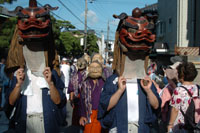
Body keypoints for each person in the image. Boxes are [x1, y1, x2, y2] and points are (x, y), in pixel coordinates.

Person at [5, 1, 66, 132]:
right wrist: (18, 85)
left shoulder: (52, 73)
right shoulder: (19, 73)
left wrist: (50, 84)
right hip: (23, 121)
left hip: (45, 121)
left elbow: (59, 101)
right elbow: (10, 102)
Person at [97, 7, 161, 133]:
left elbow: (156, 105)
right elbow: (106, 106)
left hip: (141, 128)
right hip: (119, 128)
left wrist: (148, 91)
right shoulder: (114, 80)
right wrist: (120, 90)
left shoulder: (145, 81)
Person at [168, 62, 198, 132]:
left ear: (182, 76)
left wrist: (170, 124)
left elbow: (175, 109)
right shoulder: (198, 88)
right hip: (194, 125)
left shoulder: (178, 90)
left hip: (181, 126)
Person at [79, 61, 105, 133]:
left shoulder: (104, 83)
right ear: (89, 69)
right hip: (88, 114)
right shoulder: (85, 83)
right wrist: (82, 115)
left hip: (101, 114)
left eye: (97, 67)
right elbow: (82, 100)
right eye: (92, 67)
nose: (95, 70)